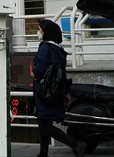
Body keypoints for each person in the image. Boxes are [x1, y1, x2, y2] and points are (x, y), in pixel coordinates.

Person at [33, 19, 79, 156]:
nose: (38, 32)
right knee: (44, 122)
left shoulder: (45, 47)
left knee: (44, 125)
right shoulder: (59, 50)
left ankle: (74, 143)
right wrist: (66, 92)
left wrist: (33, 71)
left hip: (44, 91)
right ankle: (43, 153)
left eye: (40, 29)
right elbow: (62, 73)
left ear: (46, 32)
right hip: (55, 91)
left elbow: (39, 69)